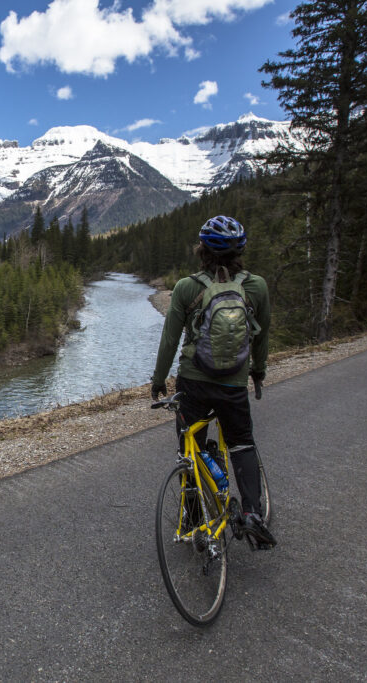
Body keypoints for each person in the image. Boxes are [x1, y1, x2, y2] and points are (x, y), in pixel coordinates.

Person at [150, 215, 276, 548]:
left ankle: (193, 521)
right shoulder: (256, 287)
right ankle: (252, 514)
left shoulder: (187, 288)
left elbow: (169, 341)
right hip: (233, 385)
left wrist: (159, 380)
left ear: (201, 250)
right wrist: (258, 371)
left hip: (193, 384)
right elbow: (260, 338)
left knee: (188, 451)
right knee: (242, 444)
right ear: (241, 252)